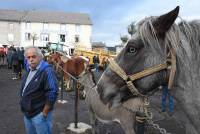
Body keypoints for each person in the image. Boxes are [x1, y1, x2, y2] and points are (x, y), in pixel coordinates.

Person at [19, 46, 58, 134]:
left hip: (39, 114)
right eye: (28, 57)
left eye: (33, 56)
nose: (31, 59)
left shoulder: (47, 70)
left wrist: (44, 113)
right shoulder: (30, 69)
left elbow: (53, 91)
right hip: (27, 113)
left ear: (40, 57)